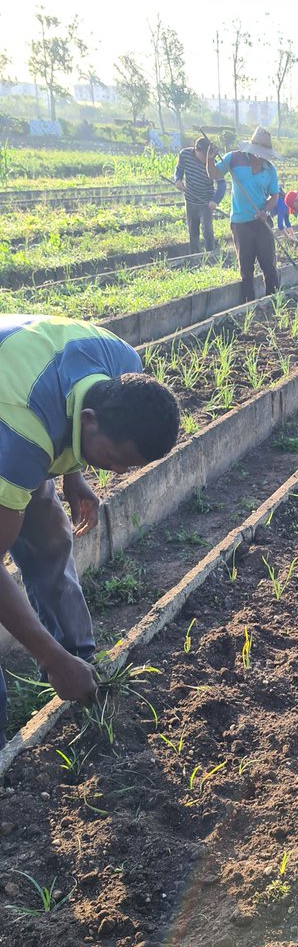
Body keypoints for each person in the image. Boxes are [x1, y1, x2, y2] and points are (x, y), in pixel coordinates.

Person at [0, 315, 180, 745]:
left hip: (21, 382)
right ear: (91, 421)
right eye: (113, 459)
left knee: (49, 532)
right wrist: (48, 657)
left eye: (128, 467)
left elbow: (69, 402)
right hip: (11, 408)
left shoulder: (122, 363)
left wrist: (73, 472)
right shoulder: (24, 435)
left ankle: (79, 660)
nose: (116, 472)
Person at [207, 126, 281, 303]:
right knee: (246, 268)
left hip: (261, 221)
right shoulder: (234, 158)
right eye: (258, 153)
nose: (260, 157)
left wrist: (266, 211)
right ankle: (248, 304)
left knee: (269, 264)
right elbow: (215, 174)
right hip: (241, 222)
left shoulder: (270, 169)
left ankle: (273, 300)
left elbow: (275, 195)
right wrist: (209, 160)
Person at [174, 137, 226, 253]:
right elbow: (179, 170)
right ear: (196, 150)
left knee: (207, 230)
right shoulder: (185, 154)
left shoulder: (213, 163)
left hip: (206, 202)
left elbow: (222, 184)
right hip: (190, 200)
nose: (207, 160)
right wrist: (178, 180)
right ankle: (195, 255)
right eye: (204, 156)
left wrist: (215, 200)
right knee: (193, 231)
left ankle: (211, 252)